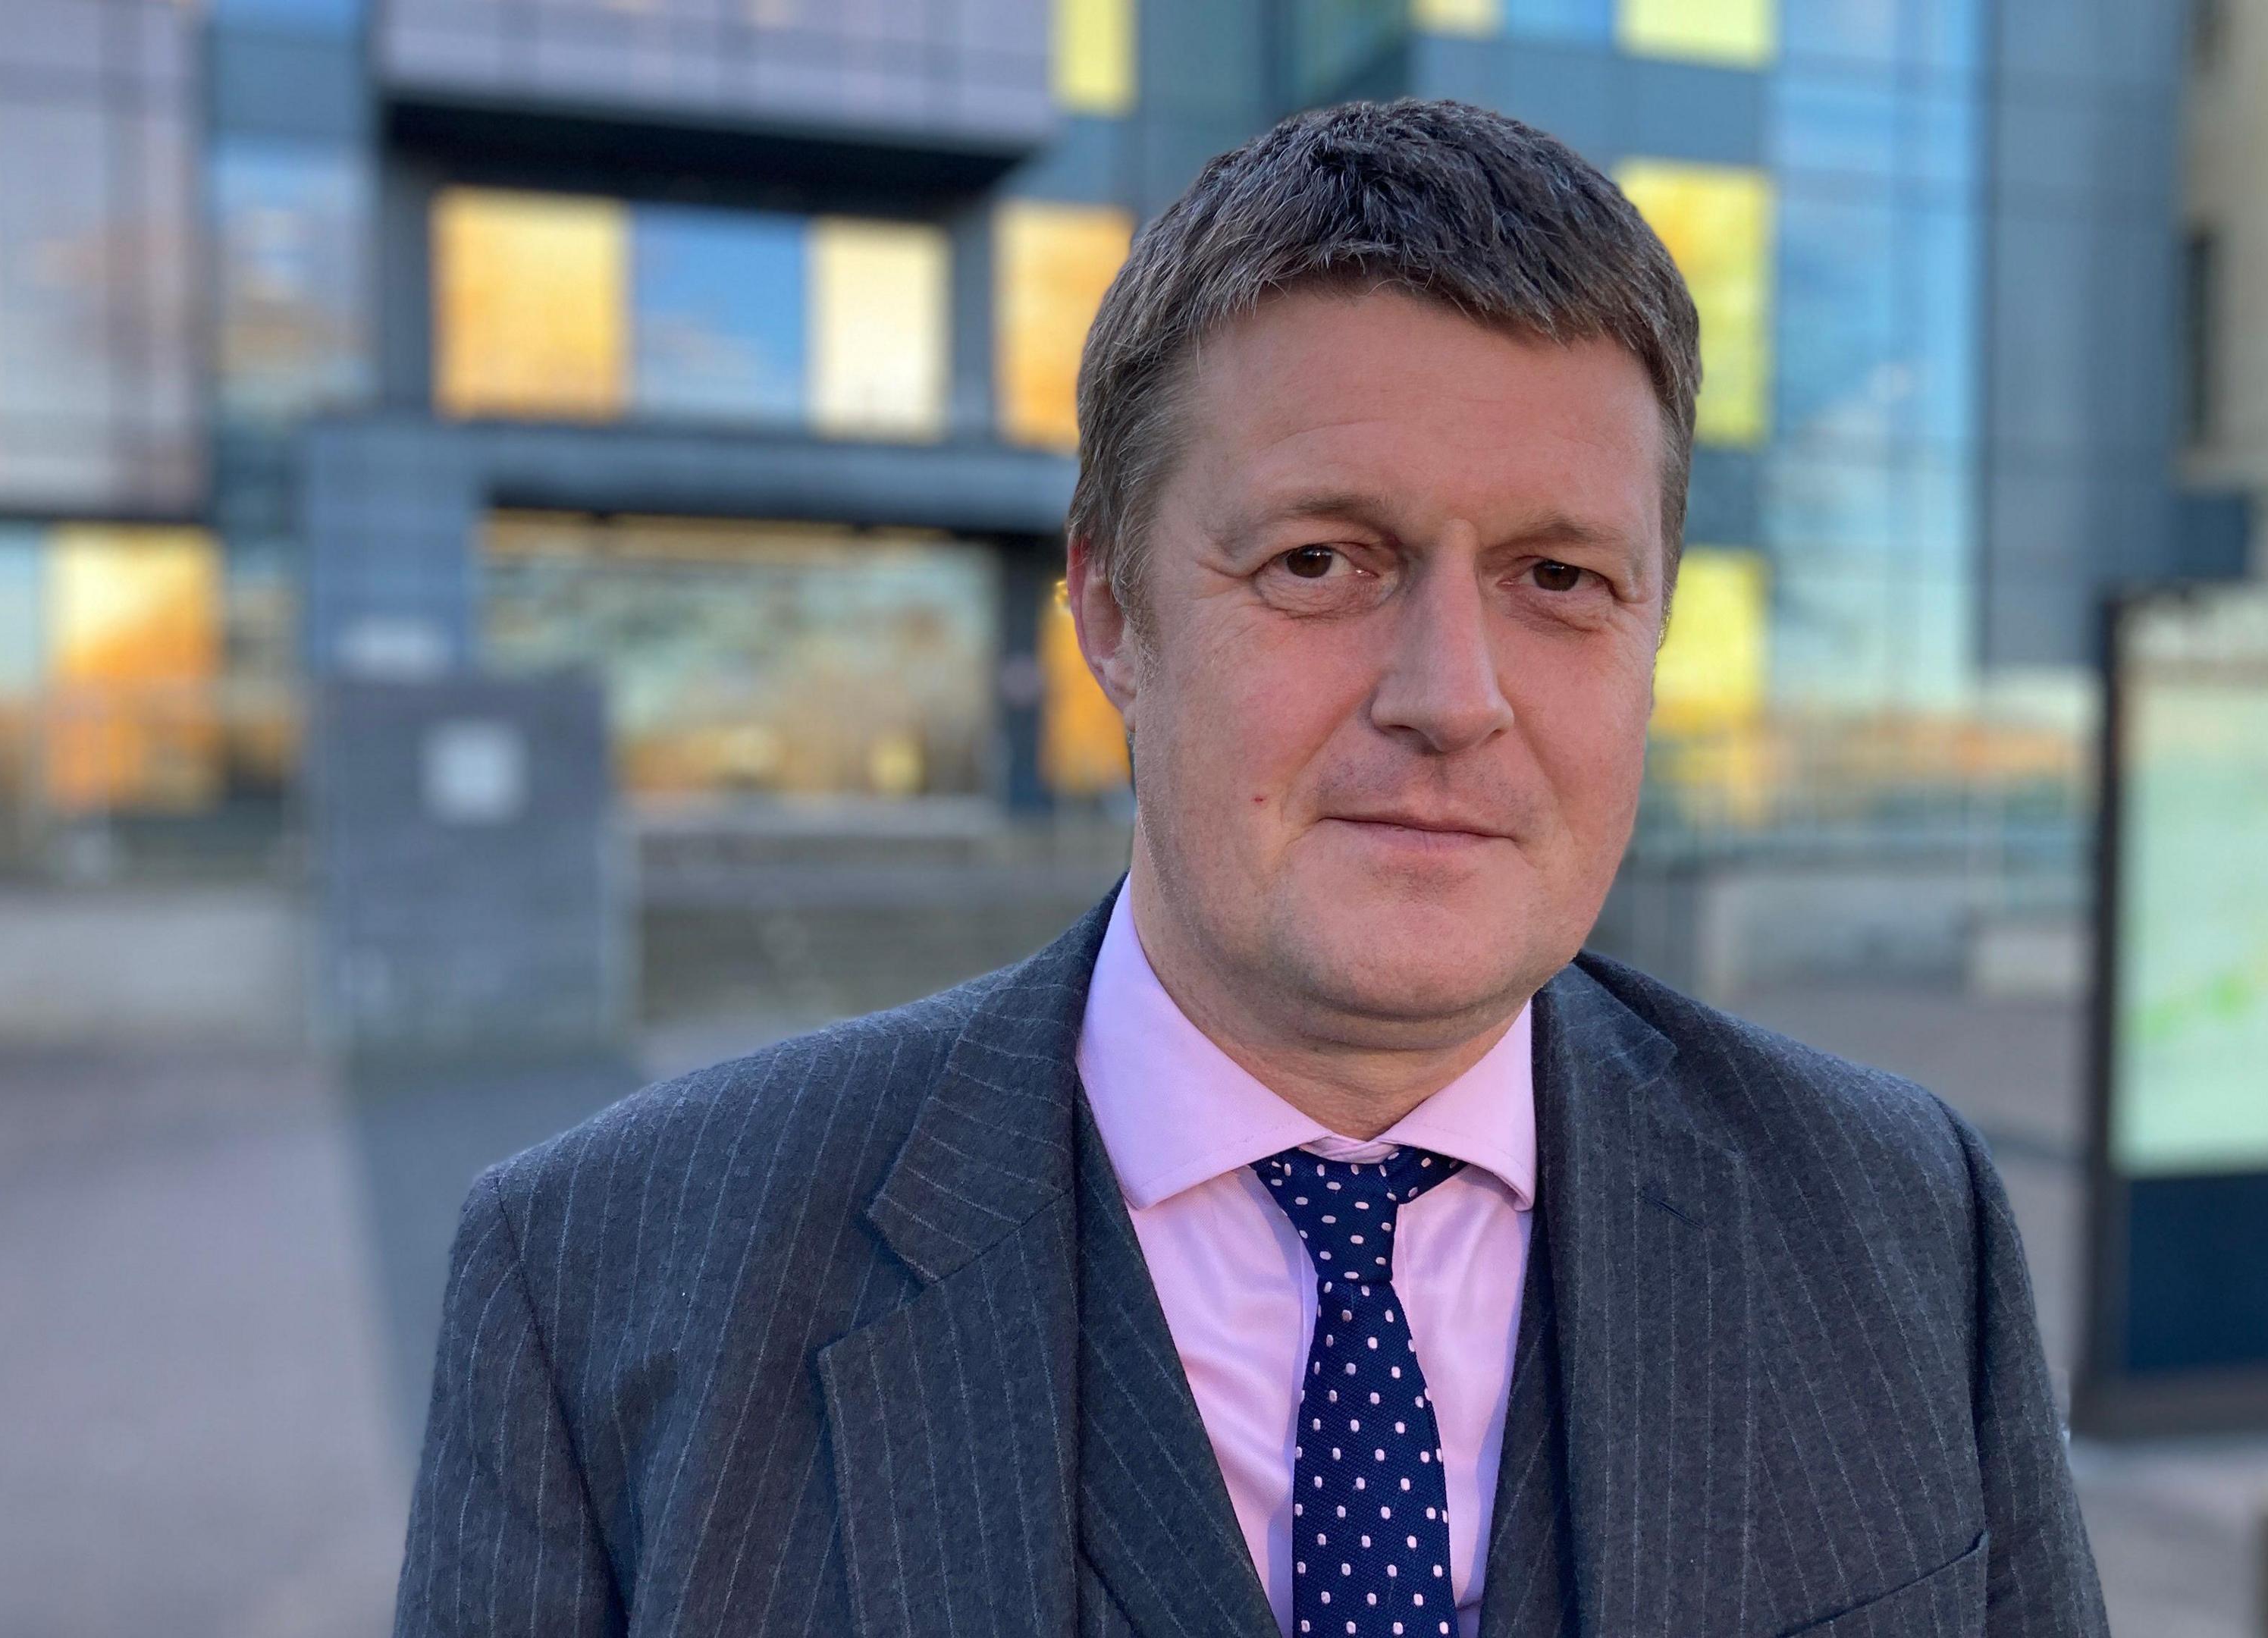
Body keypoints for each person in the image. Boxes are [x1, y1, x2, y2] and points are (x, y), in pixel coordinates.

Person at [393, 98, 2106, 1638]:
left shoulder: (1901, 1218)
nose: (1453, 698)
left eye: (1560, 580)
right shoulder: (608, 1282)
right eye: (1320, 559)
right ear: (1113, 613)